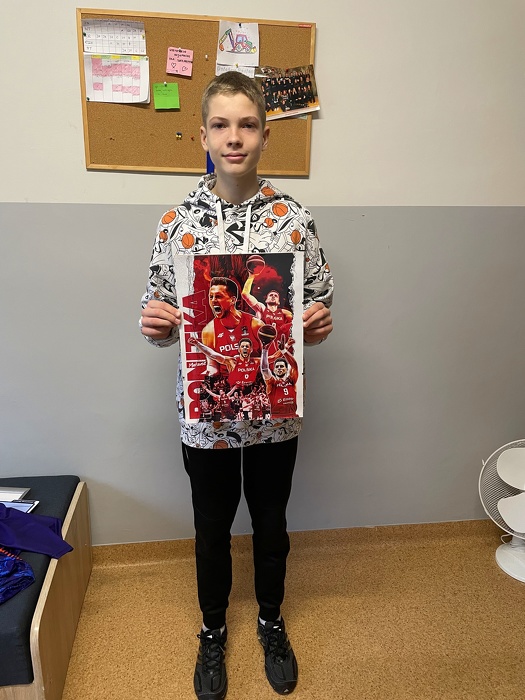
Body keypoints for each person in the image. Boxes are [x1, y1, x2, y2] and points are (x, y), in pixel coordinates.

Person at [140, 71, 333, 700]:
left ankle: (271, 621)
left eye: (247, 125)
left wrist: (316, 325)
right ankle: (213, 629)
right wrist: (155, 326)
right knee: (211, 525)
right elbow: (159, 314)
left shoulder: (293, 221)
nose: (234, 137)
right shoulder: (176, 224)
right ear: (202, 135)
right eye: (221, 125)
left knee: (271, 521)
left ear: (265, 135)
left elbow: (315, 309)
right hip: (207, 412)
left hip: (274, 411)